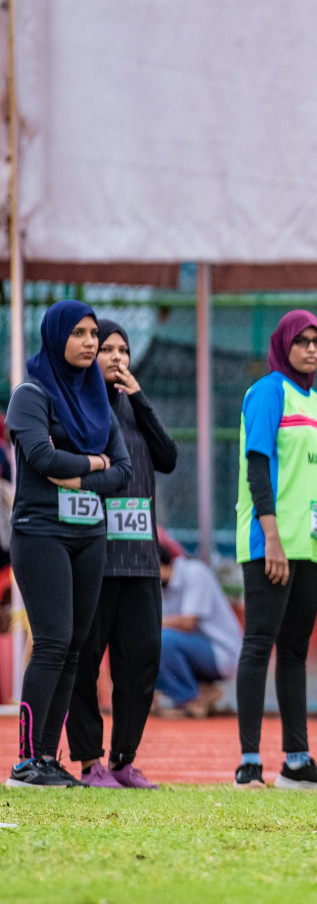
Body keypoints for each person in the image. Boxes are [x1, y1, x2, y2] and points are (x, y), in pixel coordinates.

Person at [6, 301, 131, 788]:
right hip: (41, 533)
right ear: (56, 336)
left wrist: (80, 474)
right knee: (53, 640)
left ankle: (46, 757)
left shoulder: (98, 398)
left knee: (76, 648)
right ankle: (24, 761)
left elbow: (123, 472)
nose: (89, 342)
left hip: (89, 535)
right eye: (77, 333)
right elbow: (40, 456)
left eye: (93, 333)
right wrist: (95, 463)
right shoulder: (30, 393)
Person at [233, 310, 317, 791]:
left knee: (296, 651)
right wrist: (272, 537)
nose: (310, 350)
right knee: (259, 644)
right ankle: (249, 763)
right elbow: (257, 465)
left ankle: (297, 762)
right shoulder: (267, 391)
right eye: (301, 341)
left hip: (313, 544)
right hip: (272, 543)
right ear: (285, 345)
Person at [60, 319, 177, 789]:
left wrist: (140, 398)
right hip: (93, 555)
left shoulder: (136, 407)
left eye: (123, 350)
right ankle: (89, 762)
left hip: (141, 560)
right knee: (86, 660)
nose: (115, 357)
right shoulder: (77, 406)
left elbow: (167, 458)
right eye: (106, 349)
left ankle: (124, 758)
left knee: (143, 656)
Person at [158, 537, 243, 718]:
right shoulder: (162, 586)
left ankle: (190, 700)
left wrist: (152, 623)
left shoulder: (194, 572)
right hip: (196, 649)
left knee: (161, 640)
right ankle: (204, 692)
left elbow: (188, 623)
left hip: (222, 652)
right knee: (150, 640)